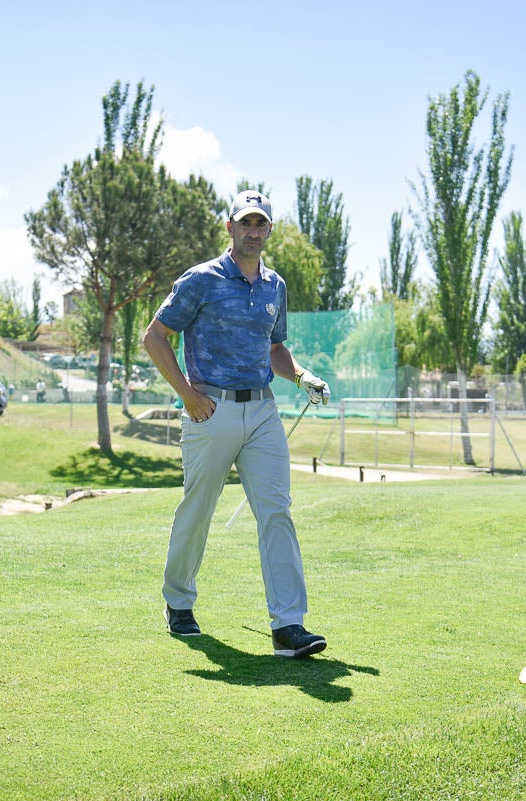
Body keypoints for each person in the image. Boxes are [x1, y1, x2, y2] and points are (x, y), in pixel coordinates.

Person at [142, 190, 331, 659]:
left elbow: (274, 349)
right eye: (245, 223)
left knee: (276, 511)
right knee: (198, 508)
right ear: (230, 228)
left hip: (263, 410)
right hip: (211, 409)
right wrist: (188, 395)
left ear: (268, 230)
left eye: (260, 224)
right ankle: (178, 601)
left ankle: (289, 625)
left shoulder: (275, 286)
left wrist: (303, 375)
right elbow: (155, 337)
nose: (252, 231)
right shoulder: (201, 280)